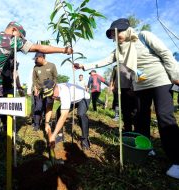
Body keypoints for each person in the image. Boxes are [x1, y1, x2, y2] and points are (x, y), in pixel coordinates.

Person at [74, 18, 179, 179]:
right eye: (112, 36)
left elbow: (165, 53)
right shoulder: (119, 49)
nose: (116, 37)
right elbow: (106, 60)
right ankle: (146, 147)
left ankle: (177, 160)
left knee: (165, 116)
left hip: (160, 81)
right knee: (141, 117)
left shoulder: (144, 36)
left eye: (117, 33)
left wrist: (175, 76)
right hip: (141, 85)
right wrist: (84, 66)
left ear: (126, 29)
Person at [0, 21, 73, 168]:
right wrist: (64, 50)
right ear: (14, 30)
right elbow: (38, 47)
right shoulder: (10, 40)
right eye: (20, 36)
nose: (21, 40)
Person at [42, 79, 91, 150]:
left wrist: (53, 135)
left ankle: (85, 139)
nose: (52, 97)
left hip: (83, 98)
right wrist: (46, 123)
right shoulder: (50, 94)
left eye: (52, 94)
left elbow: (64, 116)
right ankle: (60, 135)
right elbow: (49, 108)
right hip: (71, 100)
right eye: (49, 96)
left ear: (55, 87)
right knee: (58, 112)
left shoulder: (64, 92)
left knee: (81, 114)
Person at [32, 52, 58, 130]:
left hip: (49, 91)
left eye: (36, 59)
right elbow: (34, 79)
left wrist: (54, 88)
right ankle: (36, 125)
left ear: (41, 57)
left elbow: (55, 78)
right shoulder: (36, 67)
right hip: (40, 91)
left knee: (48, 107)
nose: (35, 60)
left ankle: (46, 122)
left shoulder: (52, 65)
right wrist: (35, 88)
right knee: (38, 107)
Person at [110, 64, 138, 132]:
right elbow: (112, 77)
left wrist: (134, 88)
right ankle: (128, 130)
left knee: (135, 110)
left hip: (135, 89)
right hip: (122, 90)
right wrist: (111, 86)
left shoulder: (133, 63)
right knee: (125, 111)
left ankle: (138, 130)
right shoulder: (116, 67)